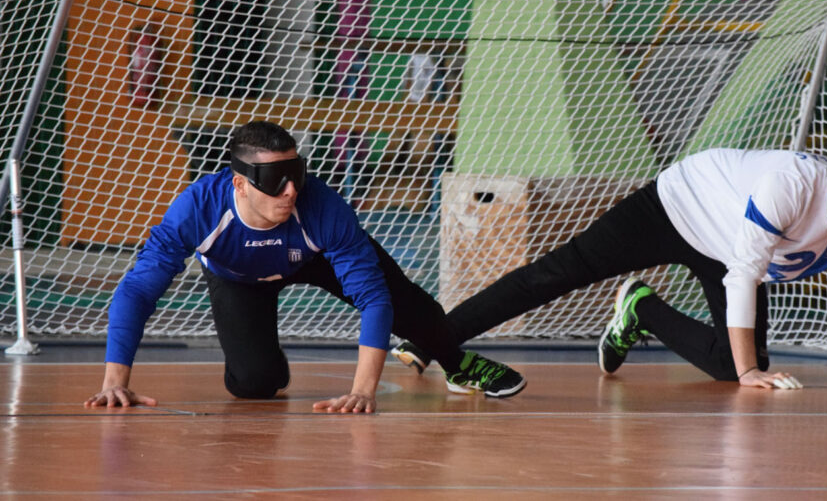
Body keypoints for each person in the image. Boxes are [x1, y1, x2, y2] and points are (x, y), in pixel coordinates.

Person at [391, 141, 827, 392]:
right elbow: (745, 274)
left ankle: (641, 308)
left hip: (727, 248)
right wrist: (749, 376)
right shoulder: (790, 184)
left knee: (735, 364)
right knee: (555, 274)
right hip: (674, 207)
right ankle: (430, 338)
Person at [84, 121, 525, 414]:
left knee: (417, 309)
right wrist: (114, 381)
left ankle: (455, 362)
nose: (291, 190)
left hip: (316, 259)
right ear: (239, 182)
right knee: (254, 384)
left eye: (296, 173)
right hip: (239, 277)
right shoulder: (195, 211)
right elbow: (137, 290)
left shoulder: (323, 209)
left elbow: (372, 298)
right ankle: (269, 360)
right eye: (276, 181)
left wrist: (362, 391)